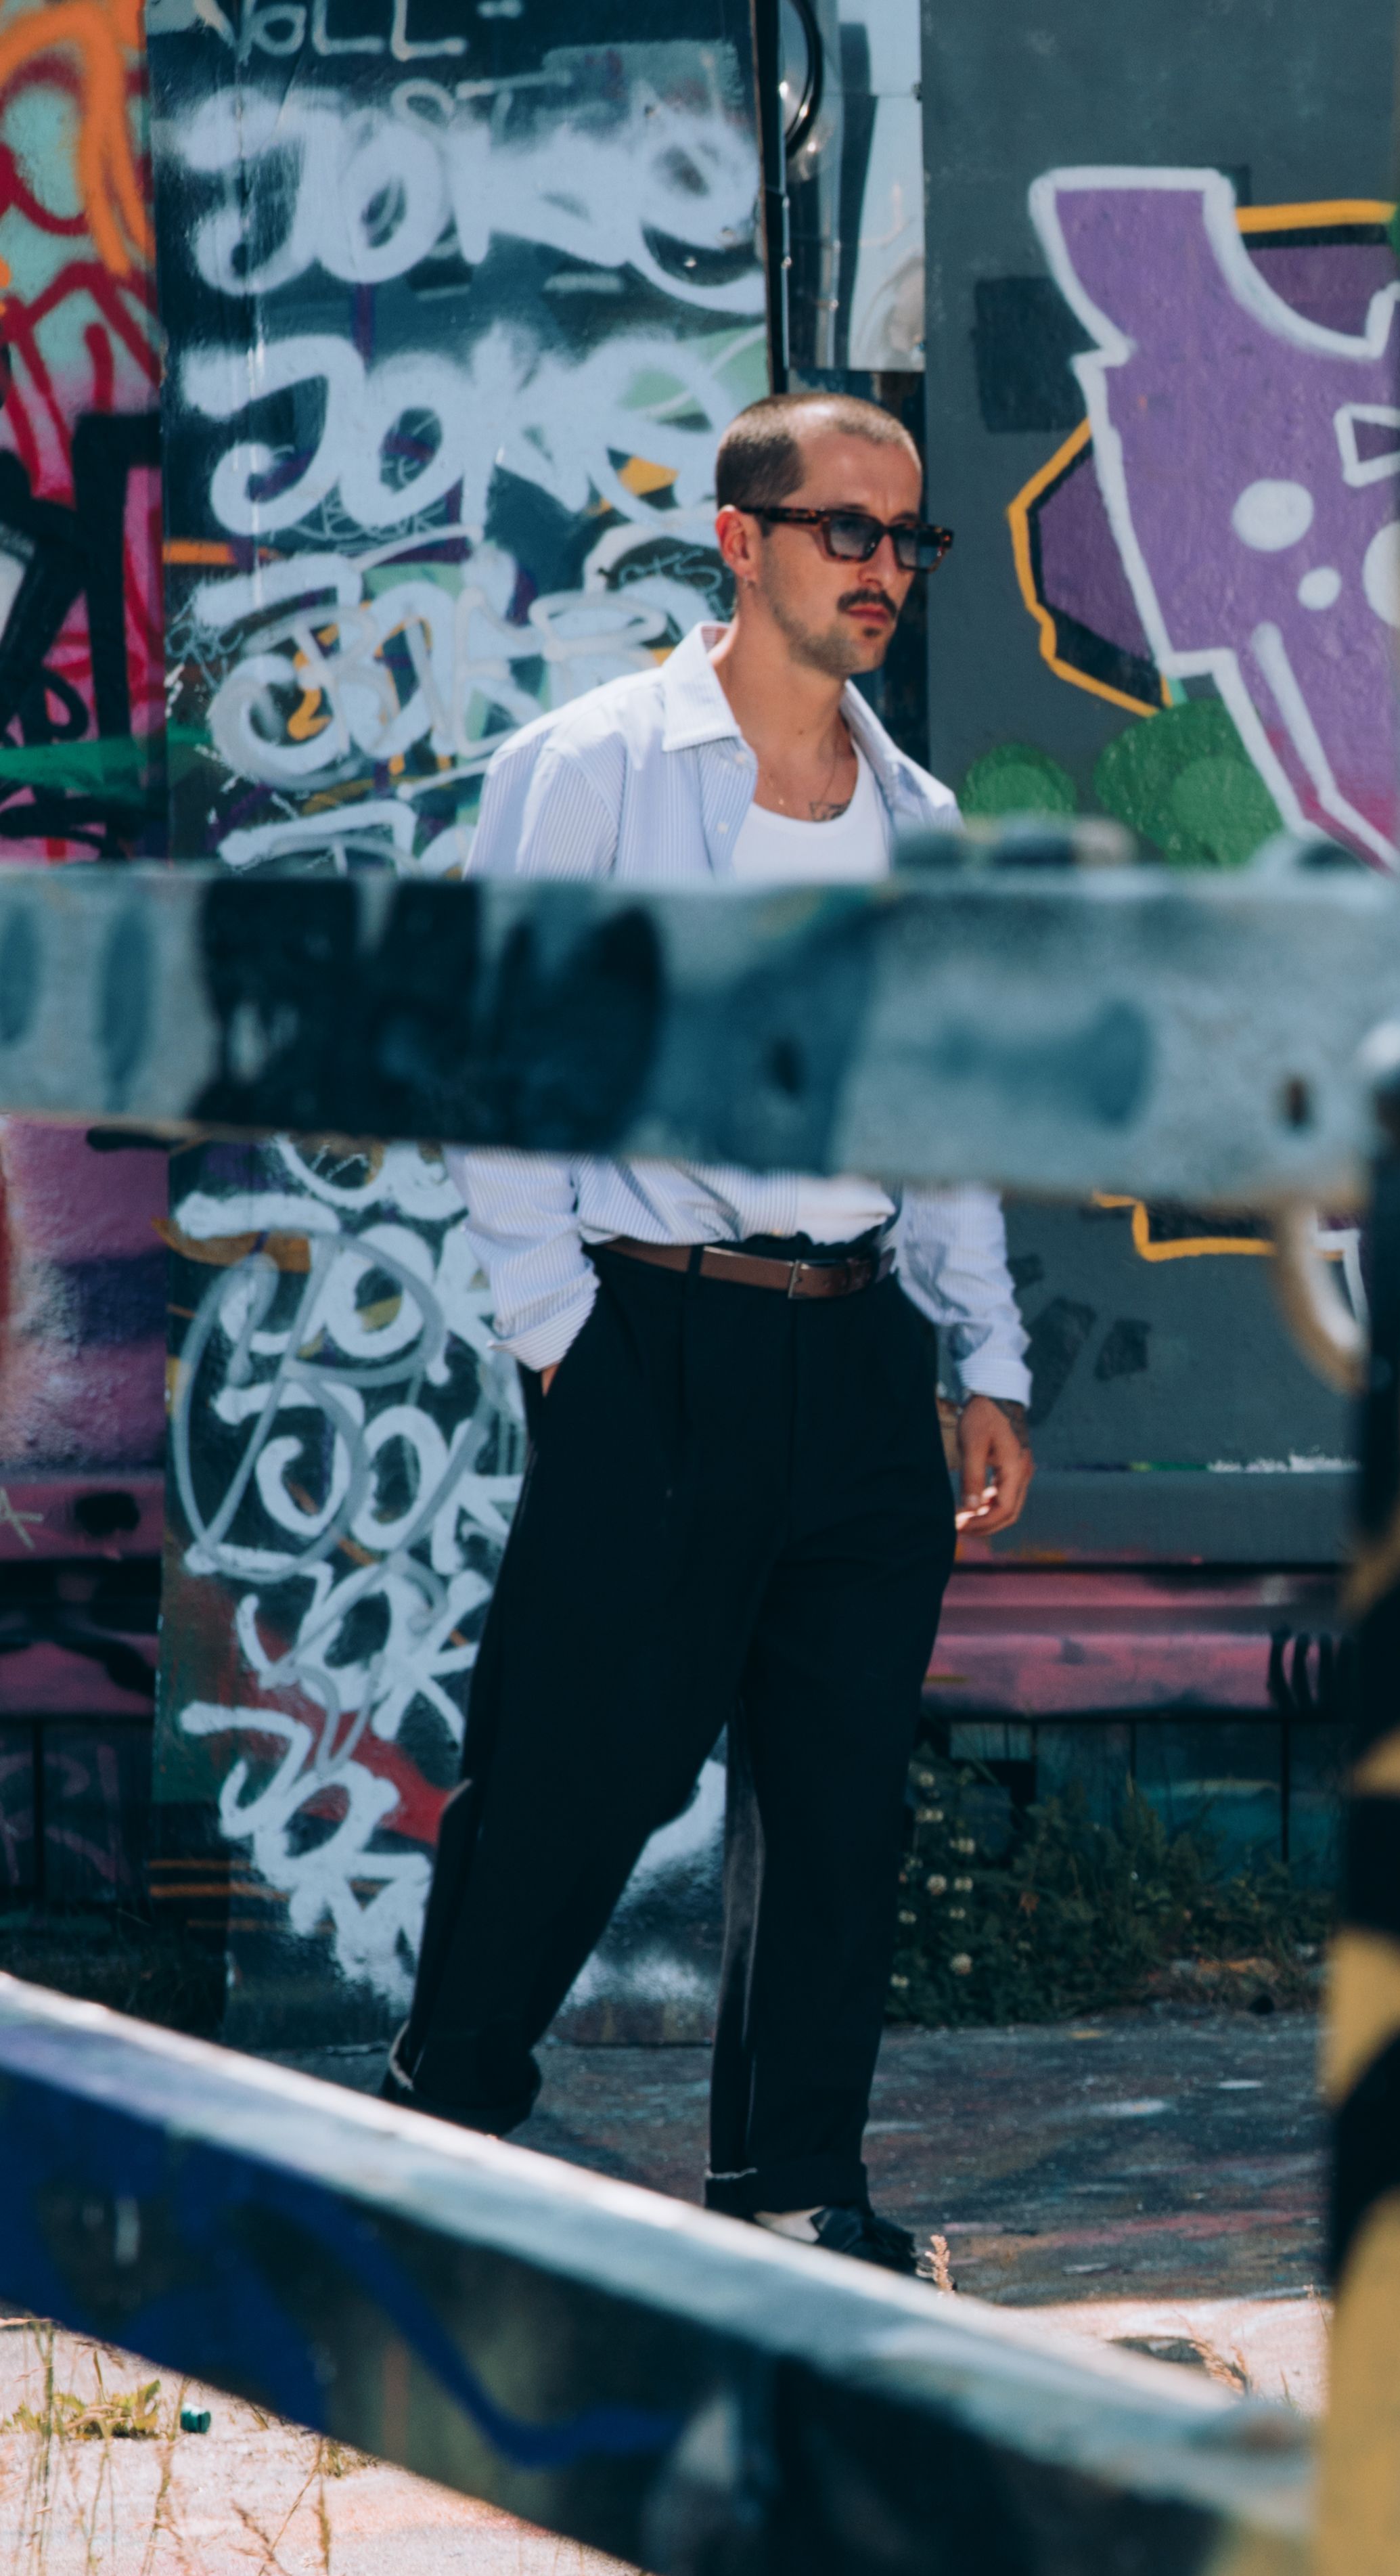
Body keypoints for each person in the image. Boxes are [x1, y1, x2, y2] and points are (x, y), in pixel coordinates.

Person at [384, 391, 1032, 2272]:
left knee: (833, 1805)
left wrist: (981, 1359)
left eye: (910, 541)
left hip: (857, 1354)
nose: (886, 571)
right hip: (653, 1340)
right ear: (738, 542)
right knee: (583, 1771)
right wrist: (560, 1335)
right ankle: (449, 2131)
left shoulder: (919, 818)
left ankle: (797, 2189)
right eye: (850, 531)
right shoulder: (593, 769)